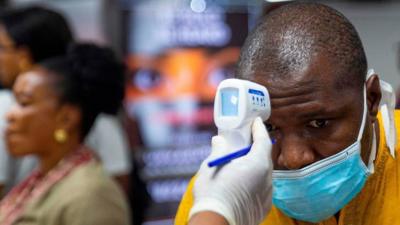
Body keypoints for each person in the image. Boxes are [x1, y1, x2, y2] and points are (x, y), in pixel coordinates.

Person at [175, 2, 399, 225]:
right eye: (268, 128)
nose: (293, 159)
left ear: (371, 99)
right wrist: (218, 211)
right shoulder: (218, 196)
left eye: (319, 123)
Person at [0, 6, 131, 196]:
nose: (10, 116)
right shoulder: (99, 112)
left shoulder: (4, 104)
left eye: (2, 48)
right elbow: (119, 183)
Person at [0, 43, 130, 225]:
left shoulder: (91, 194)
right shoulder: (38, 182)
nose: (10, 115)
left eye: (24, 102)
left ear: (66, 118)